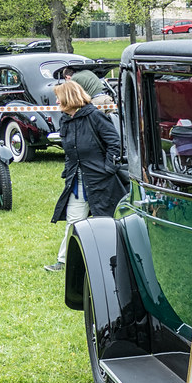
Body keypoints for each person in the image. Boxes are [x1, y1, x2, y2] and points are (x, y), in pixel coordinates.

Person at [44, 80, 127, 272]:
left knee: (107, 220)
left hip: (102, 180)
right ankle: (64, 261)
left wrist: (108, 169)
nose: (56, 101)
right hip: (77, 181)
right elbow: (69, 152)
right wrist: (68, 172)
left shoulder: (96, 116)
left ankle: (114, 259)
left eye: (58, 97)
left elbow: (114, 144)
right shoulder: (65, 120)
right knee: (74, 222)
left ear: (69, 98)